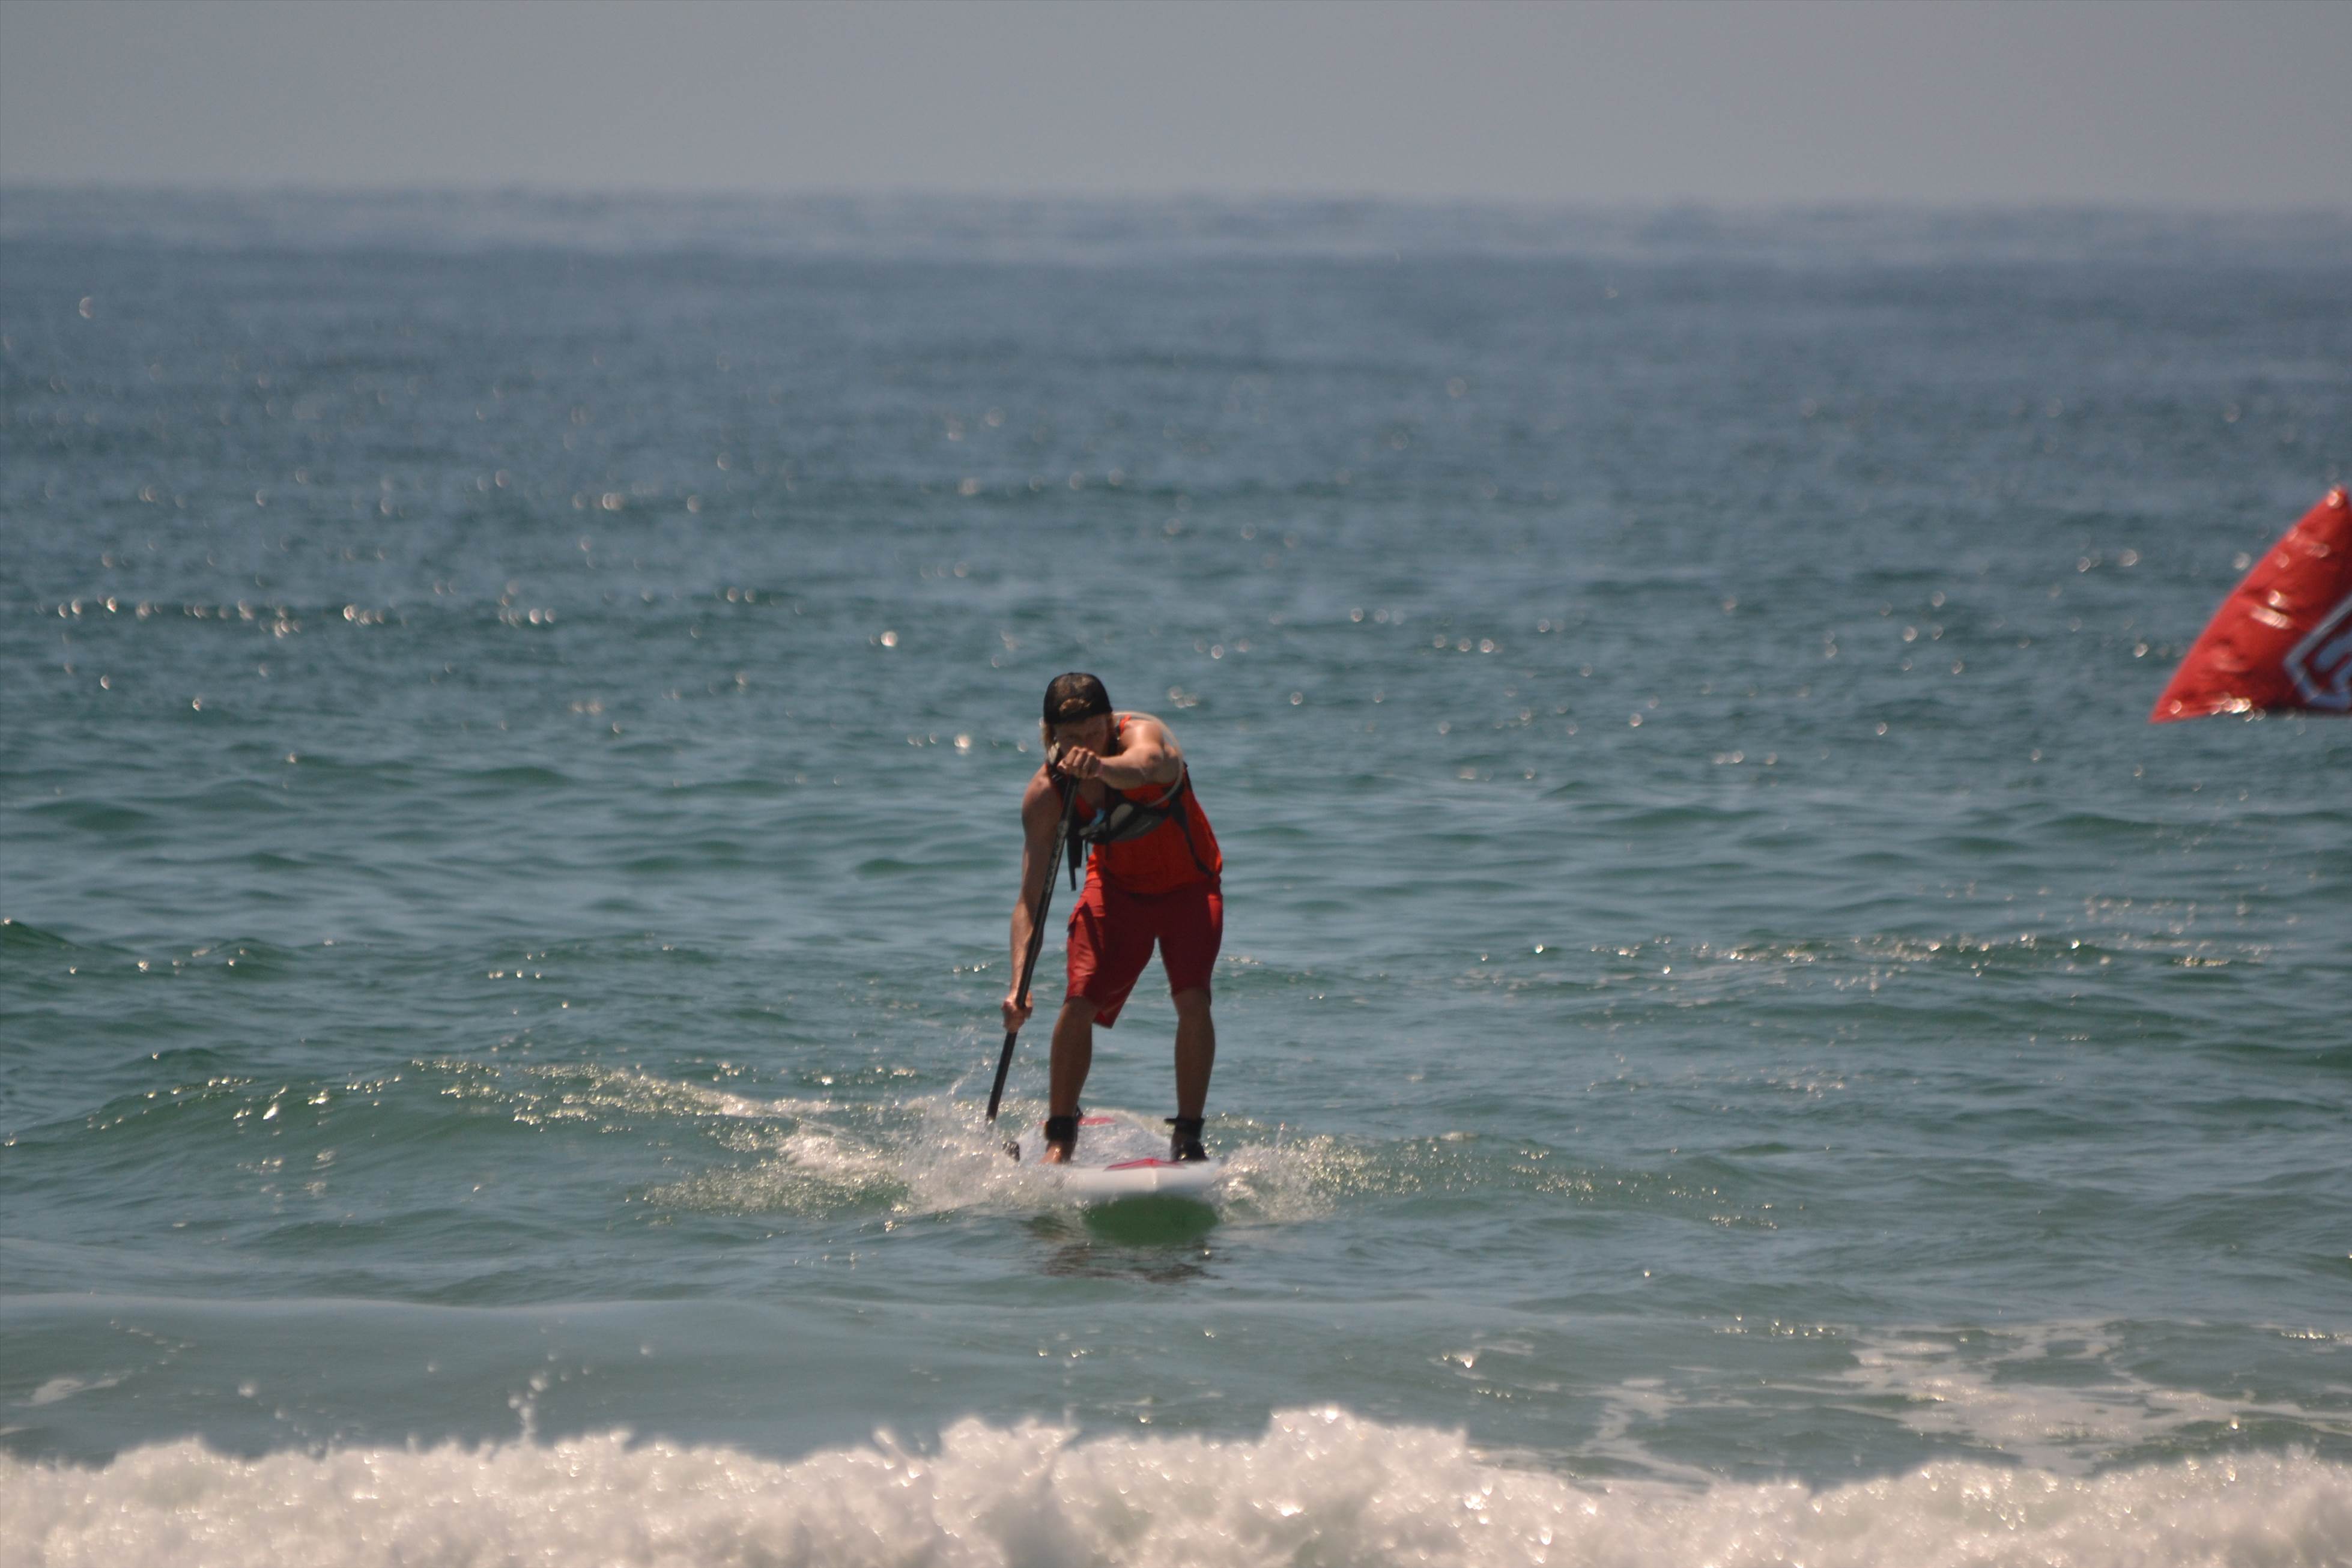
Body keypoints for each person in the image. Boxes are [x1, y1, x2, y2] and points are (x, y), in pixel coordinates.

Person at [1004, 672, 1223, 1164]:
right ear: (1050, 736)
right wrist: (1018, 984)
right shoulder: (1047, 795)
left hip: (1190, 886)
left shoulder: (1143, 737)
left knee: (1192, 997)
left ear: (1110, 722)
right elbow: (1029, 901)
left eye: (1093, 731)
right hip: (1116, 890)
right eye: (1071, 737)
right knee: (1079, 999)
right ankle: (1060, 1138)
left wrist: (1100, 767)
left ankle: (1188, 1137)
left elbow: (1146, 767)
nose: (1085, 745)